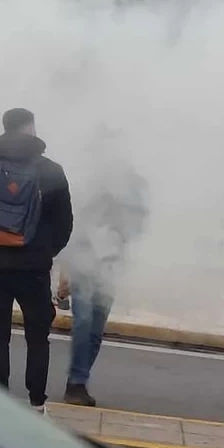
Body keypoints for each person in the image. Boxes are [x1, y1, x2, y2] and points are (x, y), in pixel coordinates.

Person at [0, 108, 73, 411]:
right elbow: (65, 224)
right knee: (37, 338)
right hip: (33, 268)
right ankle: (36, 404)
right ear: (30, 128)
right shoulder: (51, 170)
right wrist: (45, 251)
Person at [61, 141, 148, 407]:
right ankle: (76, 382)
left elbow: (140, 221)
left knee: (96, 327)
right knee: (83, 320)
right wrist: (64, 270)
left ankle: (80, 379)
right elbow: (71, 226)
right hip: (84, 260)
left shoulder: (131, 185)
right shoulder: (87, 184)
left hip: (111, 261)